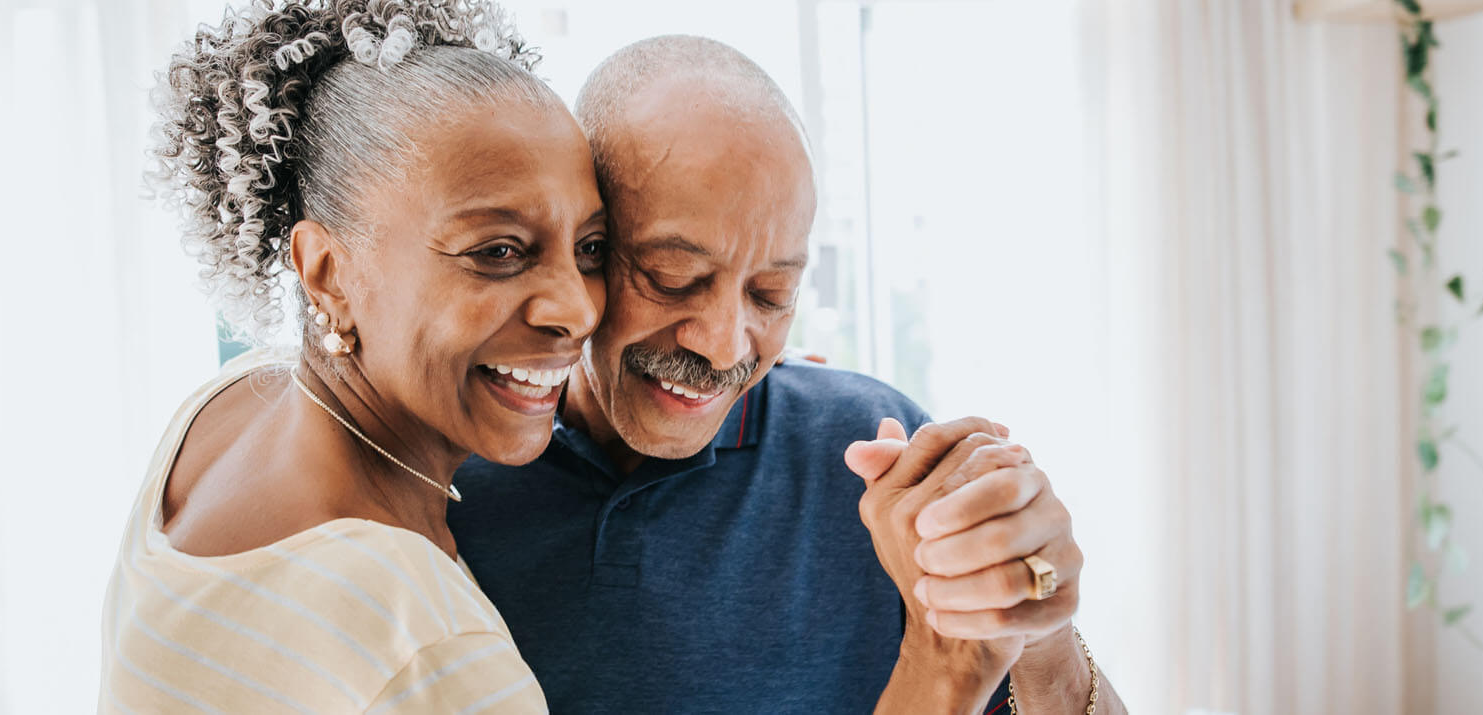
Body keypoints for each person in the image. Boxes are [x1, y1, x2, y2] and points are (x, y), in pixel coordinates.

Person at [448, 36, 1128, 713]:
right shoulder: (447, 470)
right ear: (583, 245)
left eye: (770, 294)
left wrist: (1046, 641)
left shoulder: (876, 454)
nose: (721, 348)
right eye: (673, 277)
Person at [98, 1, 607, 711]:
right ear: (326, 273)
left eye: (590, 249)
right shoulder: (431, 643)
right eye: (497, 251)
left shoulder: (221, 409)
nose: (577, 309)